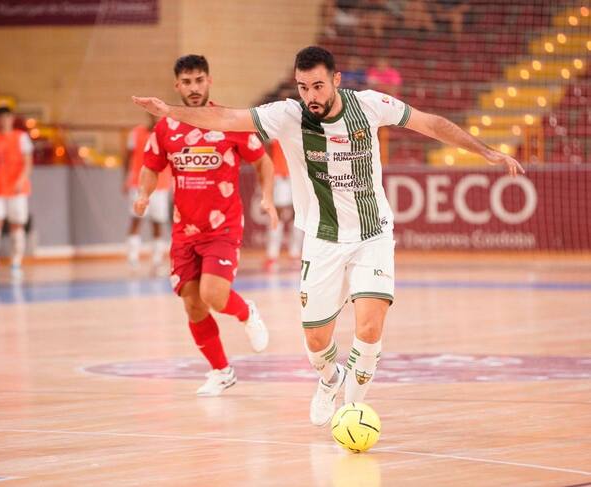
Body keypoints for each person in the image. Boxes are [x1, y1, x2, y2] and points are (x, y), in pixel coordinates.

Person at [132, 46, 524, 424]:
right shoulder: (287, 115)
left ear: (336, 80)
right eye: (303, 87)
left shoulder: (370, 105)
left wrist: (486, 152)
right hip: (322, 240)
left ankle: (351, 412)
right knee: (317, 343)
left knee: (369, 328)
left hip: (372, 235)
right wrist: (169, 112)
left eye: (318, 86)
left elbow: (429, 123)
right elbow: (224, 118)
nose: (311, 96)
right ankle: (328, 378)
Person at [133, 55, 278, 396]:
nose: (194, 88)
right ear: (177, 86)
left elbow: (263, 163)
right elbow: (151, 166)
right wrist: (143, 194)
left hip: (222, 228)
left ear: (209, 81)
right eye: (187, 82)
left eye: (199, 80)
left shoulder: (228, 121)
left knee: (213, 296)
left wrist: (268, 198)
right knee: (192, 303)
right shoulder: (165, 128)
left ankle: (246, 313)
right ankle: (221, 371)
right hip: (184, 231)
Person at [0, 106, 33, 280]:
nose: (4, 121)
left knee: (17, 226)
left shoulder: (21, 137)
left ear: (12, 119)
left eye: (7, 117)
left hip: (17, 190)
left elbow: (28, 163)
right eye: (0, 118)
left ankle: (16, 263)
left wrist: (21, 180)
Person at [124, 114, 172, 274]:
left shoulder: (168, 134)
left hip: (161, 185)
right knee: (136, 220)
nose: (155, 117)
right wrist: (125, 179)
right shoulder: (136, 133)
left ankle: (157, 262)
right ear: (148, 115)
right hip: (138, 184)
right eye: (153, 114)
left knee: (157, 223)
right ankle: (132, 260)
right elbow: (127, 157)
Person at [264, 139, 303, 272]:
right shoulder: (273, 133)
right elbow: (266, 153)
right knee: (277, 214)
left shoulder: (299, 130)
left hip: (297, 176)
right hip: (280, 176)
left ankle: (295, 254)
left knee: (298, 215)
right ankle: (272, 255)